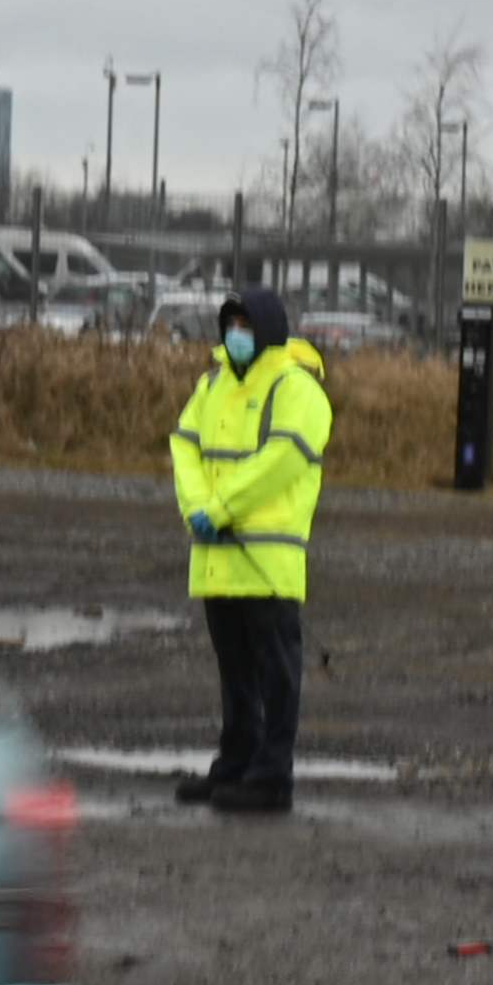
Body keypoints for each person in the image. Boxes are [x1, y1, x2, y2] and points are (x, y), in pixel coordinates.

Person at [165, 283, 333, 815]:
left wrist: (217, 509)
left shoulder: (297, 389)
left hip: (267, 561)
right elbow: (184, 445)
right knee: (235, 672)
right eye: (231, 325)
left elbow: (281, 460)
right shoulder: (212, 385)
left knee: (276, 674)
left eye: (246, 325)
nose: (237, 334)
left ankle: (272, 777)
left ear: (268, 330)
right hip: (219, 558)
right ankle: (236, 763)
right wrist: (196, 508)